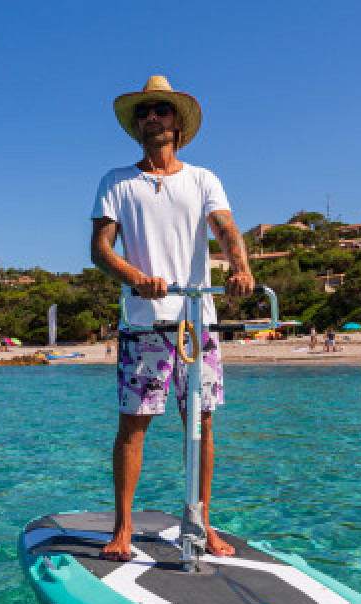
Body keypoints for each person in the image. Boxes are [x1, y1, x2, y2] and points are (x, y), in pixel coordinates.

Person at [91, 75, 255, 563]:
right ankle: (123, 527)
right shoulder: (116, 182)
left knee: (199, 425)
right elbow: (101, 250)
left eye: (160, 110)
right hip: (144, 323)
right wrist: (136, 275)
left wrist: (241, 267)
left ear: (178, 122)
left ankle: (202, 523)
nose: (151, 118)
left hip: (196, 323)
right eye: (144, 112)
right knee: (133, 426)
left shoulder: (203, 178)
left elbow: (225, 227)